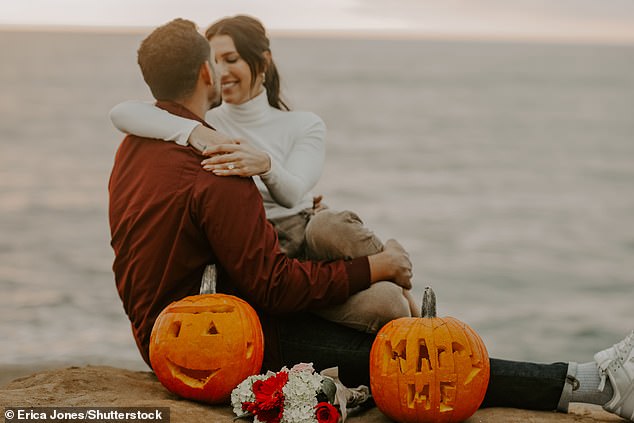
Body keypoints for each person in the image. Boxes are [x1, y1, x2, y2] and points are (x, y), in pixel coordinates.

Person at [109, 18, 634, 421]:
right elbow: (275, 286)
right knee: (409, 363)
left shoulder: (134, 148)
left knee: (381, 323)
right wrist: (374, 266)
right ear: (206, 73)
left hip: (165, 329)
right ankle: (592, 384)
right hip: (216, 337)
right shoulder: (221, 166)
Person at [109, 14, 420, 334]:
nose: (223, 71)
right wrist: (193, 132)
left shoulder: (303, 124)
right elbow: (121, 112)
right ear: (206, 72)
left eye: (231, 59)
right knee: (387, 304)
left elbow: (293, 194)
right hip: (267, 252)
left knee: (328, 228)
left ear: (263, 61)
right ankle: (397, 298)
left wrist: (267, 164)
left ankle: (403, 282)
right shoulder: (209, 123)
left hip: (305, 233)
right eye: (215, 61)